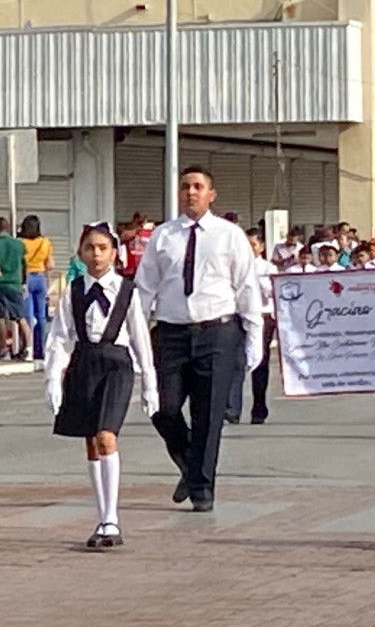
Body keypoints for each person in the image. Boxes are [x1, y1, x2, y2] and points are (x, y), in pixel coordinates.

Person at [135, 165, 262, 513]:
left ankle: (202, 487)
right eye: (185, 187)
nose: (191, 192)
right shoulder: (164, 236)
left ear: (211, 194)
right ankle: (191, 463)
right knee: (164, 407)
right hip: (172, 331)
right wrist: (133, 332)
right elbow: (145, 287)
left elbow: (246, 286)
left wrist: (253, 336)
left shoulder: (229, 234)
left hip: (217, 331)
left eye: (198, 186)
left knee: (208, 414)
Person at [46, 222, 158, 548]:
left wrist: (149, 381)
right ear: (81, 253)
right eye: (90, 248)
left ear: (114, 253)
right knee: (92, 442)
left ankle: (112, 520)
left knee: (107, 437)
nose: (96, 255)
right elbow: (60, 339)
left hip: (117, 365)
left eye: (102, 248)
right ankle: (101, 516)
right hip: (84, 364)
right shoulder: (74, 291)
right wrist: (53, 378)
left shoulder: (127, 291)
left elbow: (140, 338)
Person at [233, 229, 277, 424]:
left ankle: (259, 406)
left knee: (260, 360)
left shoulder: (268, 268)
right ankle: (231, 408)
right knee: (234, 361)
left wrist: (257, 282)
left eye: (253, 245)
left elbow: (273, 292)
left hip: (263, 315)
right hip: (239, 314)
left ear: (261, 247)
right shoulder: (236, 266)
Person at [0, 217, 32, 361]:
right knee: (20, 317)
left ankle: (4, 350)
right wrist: (24, 282)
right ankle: (28, 348)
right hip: (15, 282)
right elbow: (25, 265)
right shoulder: (18, 244)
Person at [19, 215, 54, 360]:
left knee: (28, 317)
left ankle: (30, 347)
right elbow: (50, 265)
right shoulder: (45, 242)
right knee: (41, 316)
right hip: (40, 278)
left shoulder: (20, 242)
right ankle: (42, 349)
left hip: (26, 278)